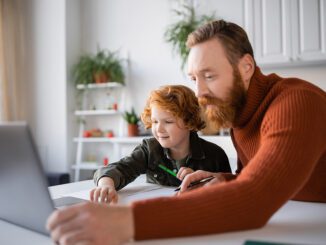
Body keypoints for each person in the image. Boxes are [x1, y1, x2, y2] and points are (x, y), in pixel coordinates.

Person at [46, 19, 326, 245]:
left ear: (246, 68)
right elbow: (268, 178)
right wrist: (224, 179)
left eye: (210, 75)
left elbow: (255, 198)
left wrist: (125, 221)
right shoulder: (239, 116)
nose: (200, 93)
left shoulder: (296, 102)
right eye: (194, 78)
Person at [90, 84, 231, 204]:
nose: (158, 129)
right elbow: (119, 169)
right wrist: (106, 185)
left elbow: (231, 191)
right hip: (158, 215)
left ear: (189, 121)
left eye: (168, 122)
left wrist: (200, 182)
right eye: (155, 121)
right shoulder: (149, 149)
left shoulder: (215, 155)